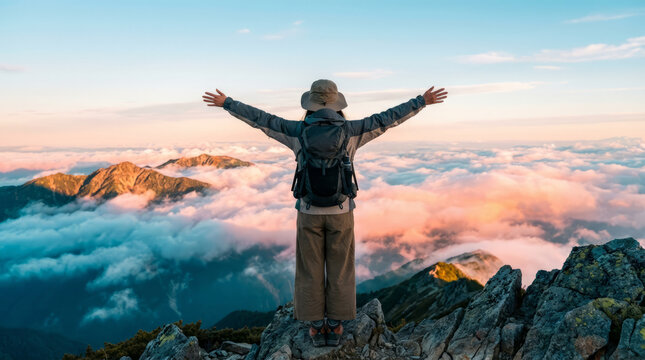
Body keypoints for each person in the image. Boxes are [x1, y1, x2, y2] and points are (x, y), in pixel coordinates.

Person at [202, 79, 447, 347]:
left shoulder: (296, 131)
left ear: (311, 105)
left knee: (310, 268)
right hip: (342, 210)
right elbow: (387, 119)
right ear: (336, 104)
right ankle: (336, 325)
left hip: (308, 210)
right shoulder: (353, 131)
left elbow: (263, 120)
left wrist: (228, 103)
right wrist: (420, 101)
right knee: (340, 267)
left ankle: (316, 326)